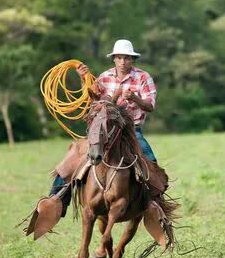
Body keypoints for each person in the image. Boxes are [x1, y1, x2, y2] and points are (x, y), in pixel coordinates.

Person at [49, 39, 160, 216]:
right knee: (72, 158)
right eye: (119, 58)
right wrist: (84, 80)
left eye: (127, 58)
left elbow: (150, 106)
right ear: (114, 59)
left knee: (150, 161)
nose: (123, 62)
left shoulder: (143, 77)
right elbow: (94, 104)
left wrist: (135, 99)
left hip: (131, 130)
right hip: (104, 128)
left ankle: (155, 207)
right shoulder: (103, 77)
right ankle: (56, 200)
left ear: (132, 59)